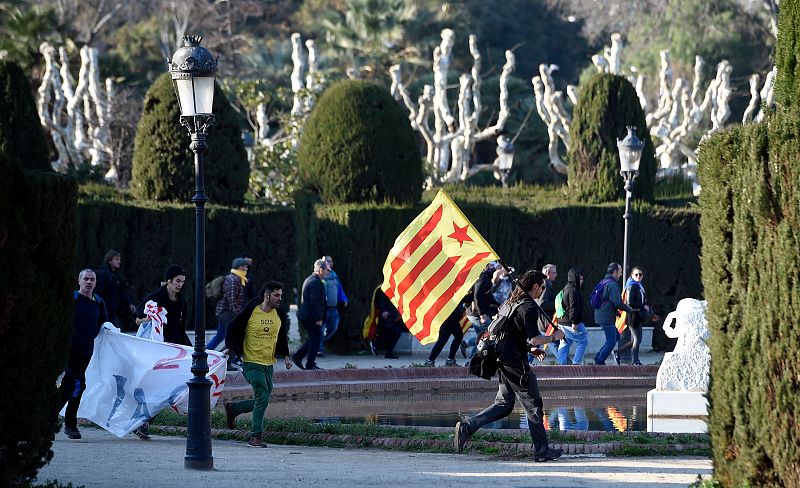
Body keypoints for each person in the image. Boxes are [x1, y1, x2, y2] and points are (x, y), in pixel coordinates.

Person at [454, 270, 564, 461]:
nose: (543, 291)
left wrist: (531, 350)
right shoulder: (528, 307)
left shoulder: (509, 303)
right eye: (542, 287)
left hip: (503, 359)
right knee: (533, 405)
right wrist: (554, 337)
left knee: (504, 404)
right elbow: (534, 338)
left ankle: (468, 426)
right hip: (515, 363)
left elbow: (511, 336)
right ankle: (542, 451)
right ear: (535, 286)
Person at [224, 281, 293, 448]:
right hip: (251, 362)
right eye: (277, 295)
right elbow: (233, 327)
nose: (279, 299)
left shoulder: (279, 314)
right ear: (267, 295)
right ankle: (256, 436)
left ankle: (233, 409)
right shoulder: (251, 311)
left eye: (281, 295)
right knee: (262, 396)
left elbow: (282, 336)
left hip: (268, 363)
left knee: (264, 397)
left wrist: (286, 356)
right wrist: (230, 346)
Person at [133, 265, 191, 439]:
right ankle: (140, 421)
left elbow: (181, 329)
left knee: (171, 389)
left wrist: (191, 350)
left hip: (174, 350)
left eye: (182, 282)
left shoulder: (181, 301)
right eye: (177, 281)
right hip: (156, 351)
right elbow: (138, 318)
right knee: (156, 387)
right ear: (169, 280)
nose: (180, 285)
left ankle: (143, 421)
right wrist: (151, 318)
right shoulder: (155, 297)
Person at [59, 269, 108, 439]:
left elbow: (104, 324)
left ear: (95, 283)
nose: (88, 282)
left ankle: (46, 419)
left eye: (92, 279)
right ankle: (70, 425)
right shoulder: (71, 299)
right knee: (78, 384)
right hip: (69, 350)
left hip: (86, 351)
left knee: (68, 386)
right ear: (79, 281)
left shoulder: (99, 302)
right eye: (85, 279)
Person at [613, 266, 658, 365]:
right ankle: (635, 361)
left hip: (638, 316)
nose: (638, 276)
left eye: (640, 274)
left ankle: (618, 352)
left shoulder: (639, 286)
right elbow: (630, 302)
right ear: (632, 275)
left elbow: (644, 302)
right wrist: (643, 306)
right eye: (636, 274)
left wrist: (651, 313)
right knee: (637, 339)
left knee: (637, 339)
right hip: (632, 316)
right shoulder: (632, 286)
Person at [593, 263, 633, 365]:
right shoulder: (612, 284)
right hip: (606, 317)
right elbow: (617, 302)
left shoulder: (603, 282)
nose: (620, 274)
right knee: (611, 340)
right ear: (615, 272)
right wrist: (629, 310)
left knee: (616, 337)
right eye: (620, 272)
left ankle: (598, 356)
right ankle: (599, 360)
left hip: (602, 315)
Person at [292, 258, 329, 370]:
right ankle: (310, 364)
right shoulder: (314, 282)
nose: (328, 272)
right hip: (311, 317)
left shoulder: (313, 280)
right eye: (327, 269)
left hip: (309, 316)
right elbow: (314, 302)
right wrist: (318, 318)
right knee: (316, 339)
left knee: (314, 338)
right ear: (320, 270)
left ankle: (298, 356)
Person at [207, 258, 249, 351]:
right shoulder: (233, 280)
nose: (246, 268)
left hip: (226, 313)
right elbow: (232, 300)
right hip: (227, 313)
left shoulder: (238, 279)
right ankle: (223, 357)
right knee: (234, 337)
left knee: (220, 336)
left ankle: (207, 353)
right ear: (239, 267)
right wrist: (239, 314)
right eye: (244, 266)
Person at [93, 250, 135, 329]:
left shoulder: (116, 276)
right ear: (109, 261)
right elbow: (99, 293)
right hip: (105, 312)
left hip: (112, 312)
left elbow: (122, 292)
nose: (119, 262)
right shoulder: (104, 275)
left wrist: (129, 304)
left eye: (119, 259)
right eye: (116, 259)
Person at [556, 268, 588, 365]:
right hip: (571, 322)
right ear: (576, 278)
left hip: (562, 322)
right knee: (583, 340)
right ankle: (576, 365)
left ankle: (561, 367)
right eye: (581, 279)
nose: (582, 281)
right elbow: (573, 307)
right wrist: (575, 322)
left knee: (565, 343)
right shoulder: (574, 290)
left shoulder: (566, 288)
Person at [319, 255, 348, 357]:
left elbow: (339, 289)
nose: (329, 263)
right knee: (321, 328)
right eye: (327, 261)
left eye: (330, 261)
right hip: (323, 308)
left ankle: (319, 341)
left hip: (333, 308)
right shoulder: (321, 275)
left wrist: (344, 299)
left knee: (334, 327)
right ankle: (319, 349)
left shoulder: (335, 276)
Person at [377, 289, 405, 359]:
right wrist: (383, 310)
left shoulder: (398, 286)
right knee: (388, 331)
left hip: (396, 313)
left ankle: (389, 352)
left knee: (397, 332)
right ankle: (376, 344)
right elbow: (382, 300)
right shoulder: (385, 287)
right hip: (388, 313)